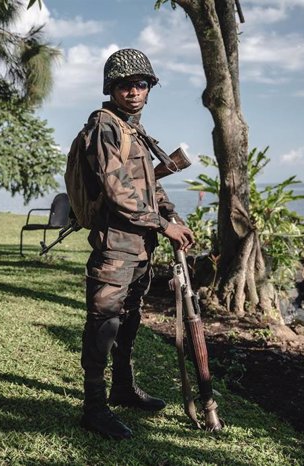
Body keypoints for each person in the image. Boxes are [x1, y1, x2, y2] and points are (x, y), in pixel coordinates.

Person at [78, 48, 195, 440]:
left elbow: (149, 185)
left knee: (129, 318)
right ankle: (94, 408)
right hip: (116, 244)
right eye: (125, 84)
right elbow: (118, 192)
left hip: (141, 245)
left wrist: (171, 215)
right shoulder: (105, 126)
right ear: (111, 88)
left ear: (149, 88)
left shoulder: (134, 130)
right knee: (103, 320)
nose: (133, 91)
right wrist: (164, 226)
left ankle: (123, 388)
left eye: (140, 84)